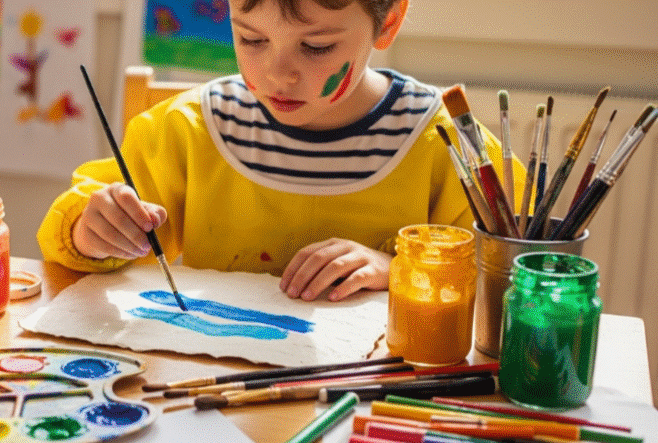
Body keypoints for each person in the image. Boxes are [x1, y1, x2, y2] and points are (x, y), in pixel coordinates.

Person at [38, 0, 521, 301]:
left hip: (370, 402)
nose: (277, 74)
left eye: (316, 47)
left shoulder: (445, 143)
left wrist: (402, 269)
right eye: (251, 38)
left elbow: (511, 275)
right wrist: (91, 230)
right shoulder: (188, 129)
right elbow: (72, 241)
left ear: (388, 21)